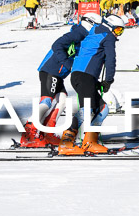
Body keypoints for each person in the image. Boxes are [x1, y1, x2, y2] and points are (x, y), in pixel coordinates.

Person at [21, 13, 102, 147]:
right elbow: (56, 46)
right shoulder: (78, 33)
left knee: (62, 100)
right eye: (97, 26)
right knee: (46, 101)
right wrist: (68, 64)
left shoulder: (84, 36)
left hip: (58, 74)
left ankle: (48, 132)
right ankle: (29, 132)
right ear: (90, 23)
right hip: (50, 70)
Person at [58, 13, 125, 155]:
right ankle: (66, 143)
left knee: (102, 108)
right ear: (110, 26)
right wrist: (109, 80)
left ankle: (90, 142)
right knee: (86, 110)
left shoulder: (94, 31)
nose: (118, 34)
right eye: (118, 30)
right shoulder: (108, 36)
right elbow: (110, 60)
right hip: (85, 76)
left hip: (80, 76)